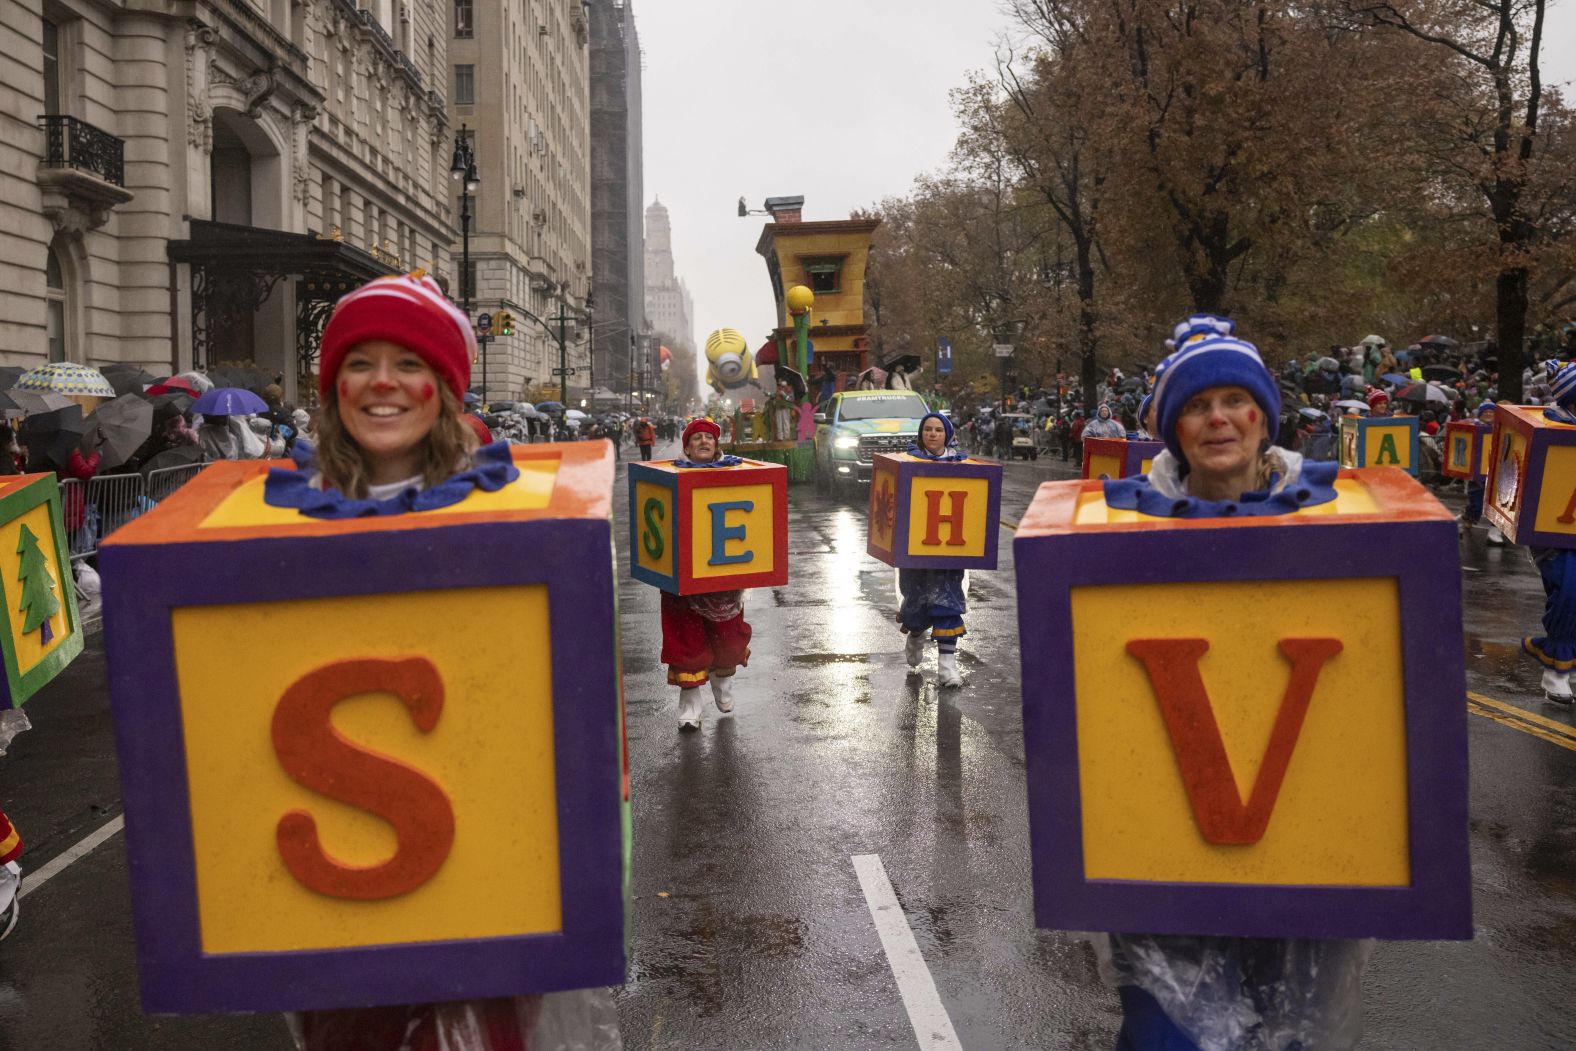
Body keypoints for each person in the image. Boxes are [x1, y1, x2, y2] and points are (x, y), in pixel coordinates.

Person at [263, 273, 613, 1049]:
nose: (383, 383)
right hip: (337, 906)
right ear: (333, 387)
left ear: (445, 387)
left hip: (484, 883)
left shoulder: (515, 510)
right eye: (359, 362)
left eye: (409, 362)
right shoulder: (272, 515)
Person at [1101, 317, 1368, 1051]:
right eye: (1196, 404)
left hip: (1304, 852)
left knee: (1292, 1038)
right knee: (1167, 1040)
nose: (1217, 418)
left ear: (1263, 416)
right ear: (1172, 426)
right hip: (1165, 854)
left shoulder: (1340, 514)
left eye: (1233, 399)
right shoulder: (1114, 529)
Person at [662, 418, 751, 731]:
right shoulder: (671, 475)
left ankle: (722, 682)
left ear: (716, 445)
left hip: (722, 572)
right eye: (696, 438)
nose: (703, 442)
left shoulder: (733, 472)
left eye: (708, 438)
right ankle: (690, 703)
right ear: (686, 446)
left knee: (727, 637)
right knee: (686, 640)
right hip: (683, 575)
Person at [898, 413, 970, 687]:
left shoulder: (962, 464)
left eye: (938, 429)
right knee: (917, 603)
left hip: (949, 549)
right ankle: (915, 632)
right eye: (927, 429)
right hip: (916, 549)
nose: (932, 434)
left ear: (947, 434)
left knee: (948, 602)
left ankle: (947, 668)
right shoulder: (908, 461)